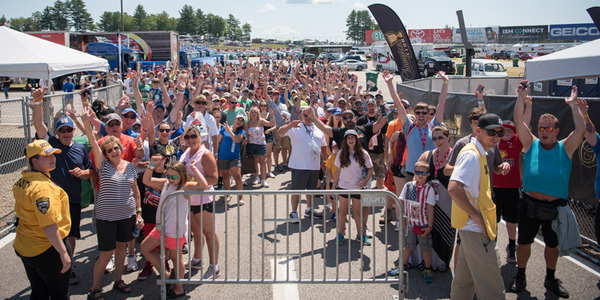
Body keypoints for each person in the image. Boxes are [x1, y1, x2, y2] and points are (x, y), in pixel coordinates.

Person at [510, 83, 585, 298]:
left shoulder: (566, 147)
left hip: (555, 207)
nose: (543, 131)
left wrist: (573, 106)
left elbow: (580, 129)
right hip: (529, 204)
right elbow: (517, 121)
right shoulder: (531, 144)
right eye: (541, 127)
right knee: (524, 242)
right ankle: (520, 275)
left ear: (556, 131)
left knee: (552, 246)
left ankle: (550, 278)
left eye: (548, 128)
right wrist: (520, 97)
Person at [81, 106, 144, 300]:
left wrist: (139, 213)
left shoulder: (129, 166)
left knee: (120, 249)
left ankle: (118, 280)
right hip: (106, 217)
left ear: (121, 148)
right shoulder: (103, 165)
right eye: (109, 150)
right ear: (105, 154)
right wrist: (85, 122)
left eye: (116, 147)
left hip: (127, 215)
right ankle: (95, 289)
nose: (114, 151)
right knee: (105, 254)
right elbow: (93, 143)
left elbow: (136, 192)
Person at [31, 88, 93, 285]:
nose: (66, 133)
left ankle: (69, 266)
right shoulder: (50, 144)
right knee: (50, 234)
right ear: (57, 132)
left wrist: (83, 173)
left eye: (69, 130)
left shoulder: (81, 148)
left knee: (70, 235)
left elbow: (92, 171)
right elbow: (39, 124)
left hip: (71, 200)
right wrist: (39, 102)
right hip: (51, 201)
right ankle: (52, 266)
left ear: (74, 130)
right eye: (62, 131)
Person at [448, 113, 506, 300]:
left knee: (463, 284)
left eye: (500, 132)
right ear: (479, 131)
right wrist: (477, 217)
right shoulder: (472, 154)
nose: (497, 136)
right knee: (492, 288)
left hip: (471, 230)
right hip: (475, 230)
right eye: (492, 132)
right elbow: (454, 188)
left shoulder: (482, 152)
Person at [141, 159, 209, 299]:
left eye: (174, 176)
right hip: (161, 228)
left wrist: (194, 168)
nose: (170, 179)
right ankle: (166, 274)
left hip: (174, 231)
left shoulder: (186, 186)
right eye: (168, 175)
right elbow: (146, 180)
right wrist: (152, 165)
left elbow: (203, 184)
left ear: (182, 175)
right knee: (144, 248)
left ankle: (179, 289)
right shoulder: (165, 183)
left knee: (175, 259)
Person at [13, 140, 72, 299]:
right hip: (46, 248)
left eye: (53, 154)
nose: (53, 158)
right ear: (35, 161)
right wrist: (63, 252)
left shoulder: (24, 178)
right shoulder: (43, 187)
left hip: (25, 244)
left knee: (39, 291)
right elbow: (48, 225)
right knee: (59, 294)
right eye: (47, 156)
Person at [383, 69, 449, 182]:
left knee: (430, 199)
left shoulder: (433, 126)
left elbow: (442, 103)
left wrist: (445, 82)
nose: (421, 115)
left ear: (429, 115)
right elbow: (398, 104)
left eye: (424, 112)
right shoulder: (409, 127)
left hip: (431, 173)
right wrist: (389, 83)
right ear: (414, 114)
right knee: (413, 200)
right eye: (418, 113)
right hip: (412, 172)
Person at [179, 125, 221, 279]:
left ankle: (214, 266)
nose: (190, 139)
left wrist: (192, 181)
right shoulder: (187, 152)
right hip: (190, 199)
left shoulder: (205, 154)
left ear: (199, 137)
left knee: (208, 232)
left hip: (203, 199)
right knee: (196, 231)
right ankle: (197, 260)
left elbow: (214, 179)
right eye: (187, 137)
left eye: (193, 136)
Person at [278, 107, 327, 223]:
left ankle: (309, 209)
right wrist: (289, 125)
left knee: (312, 190)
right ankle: (293, 212)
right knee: (296, 190)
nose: (308, 117)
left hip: (314, 166)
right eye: (305, 115)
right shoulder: (295, 127)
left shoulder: (319, 129)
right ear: (300, 115)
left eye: (310, 115)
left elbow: (324, 146)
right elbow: (280, 133)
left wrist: (324, 161)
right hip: (299, 166)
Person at [390, 161, 436, 282]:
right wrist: (401, 219)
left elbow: (430, 210)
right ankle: (403, 265)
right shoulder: (408, 186)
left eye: (423, 172)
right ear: (414, 172)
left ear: (428, 174)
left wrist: (429, 226)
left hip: (423, 224)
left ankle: (427, 268)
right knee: (408, 245)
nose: (420, 175)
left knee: (425, 246)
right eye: (417, 172)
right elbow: (402, 202)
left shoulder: (429, 190)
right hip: (410, 223)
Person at [332, 129, 374, 246]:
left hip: (357, 188)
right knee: (343, 211)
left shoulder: (362, 153)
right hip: (343, 186)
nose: (350, 140)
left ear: (356, 139)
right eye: (348, 138)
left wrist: (365, 181)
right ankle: (340, 234)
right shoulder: (341, 153)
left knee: (357, 212)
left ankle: (361, 235)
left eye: (353, 137)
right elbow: (338, 170)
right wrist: (334, 186)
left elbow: (371, 168)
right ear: (345, 140)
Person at [247, 107, 276, 187]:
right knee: (254, 162)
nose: (253, 114)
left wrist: (272, 116)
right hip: (251, 144)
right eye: (252, 112)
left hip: (261, 144)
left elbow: (271, 124)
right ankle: (256, 177)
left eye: (255, 112)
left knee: (263, 162)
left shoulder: (261, 121)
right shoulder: (248, 123)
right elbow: (246, 133)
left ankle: (263, 179)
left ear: (257, 114)